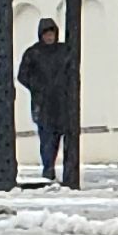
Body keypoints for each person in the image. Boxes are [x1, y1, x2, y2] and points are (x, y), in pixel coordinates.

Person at [18, 17, 73, 180]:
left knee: (60, 135)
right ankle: (48, 168)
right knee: (47, 136)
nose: (49, 37)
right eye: (46, 34)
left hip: (61, 101)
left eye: (51, 34)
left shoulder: (63, 51)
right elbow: (22, 75)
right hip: (43, 103)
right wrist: (37, 87)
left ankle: (61, 169)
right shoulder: (33, 53)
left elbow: (71, 71)